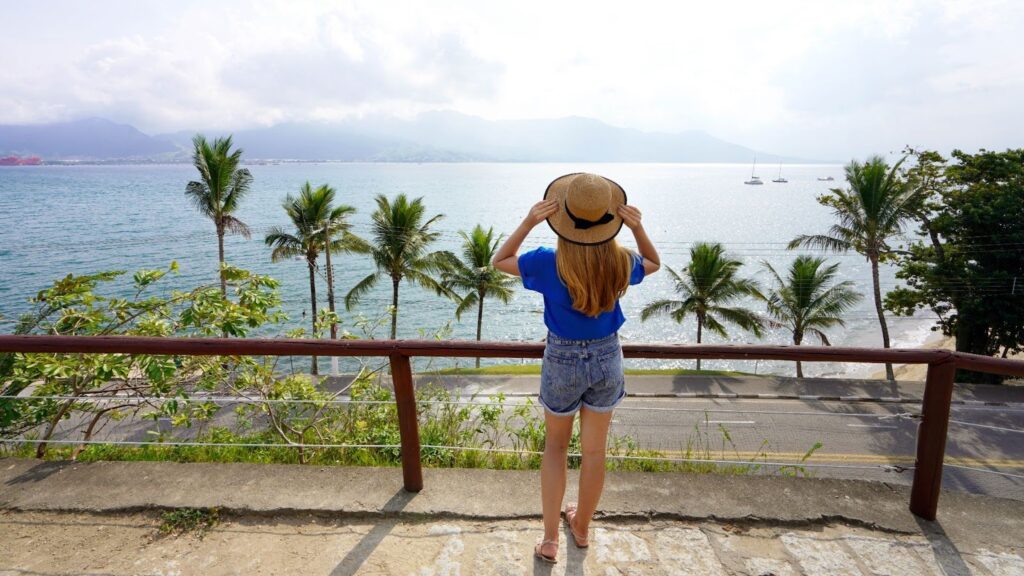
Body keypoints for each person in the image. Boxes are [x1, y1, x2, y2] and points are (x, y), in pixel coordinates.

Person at [492, 172, 661, 564]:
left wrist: (528, 221)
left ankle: (550, 539)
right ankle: (581, 527)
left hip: (562, 357)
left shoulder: (546, 261)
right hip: (606, 356)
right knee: (594, 452)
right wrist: (638, 227)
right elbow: (653, 261)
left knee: (555, 447)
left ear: (561, 217)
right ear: (610, 219)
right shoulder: (620, 260)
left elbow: (500, 260)